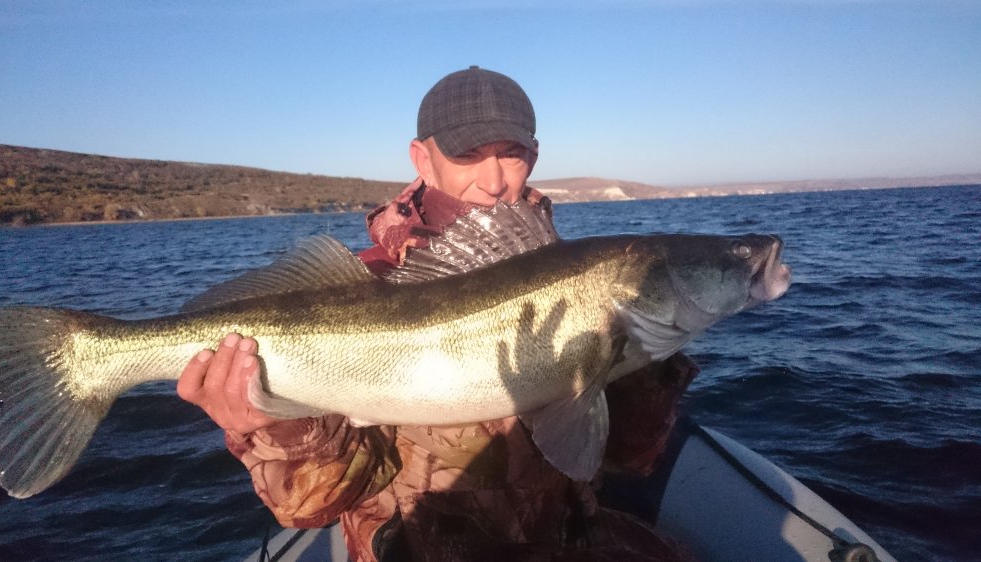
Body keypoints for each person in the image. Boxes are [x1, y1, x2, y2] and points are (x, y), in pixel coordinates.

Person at [177, 66, 698, 561]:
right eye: (468, 154)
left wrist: (647, 349)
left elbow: (628, 456)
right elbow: (310, 507)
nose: (493, 180)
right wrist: (271, 426)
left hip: (564, 539)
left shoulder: (582, 276)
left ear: (534, 157)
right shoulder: (369, 283)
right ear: (423, 160)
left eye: (511, 154)